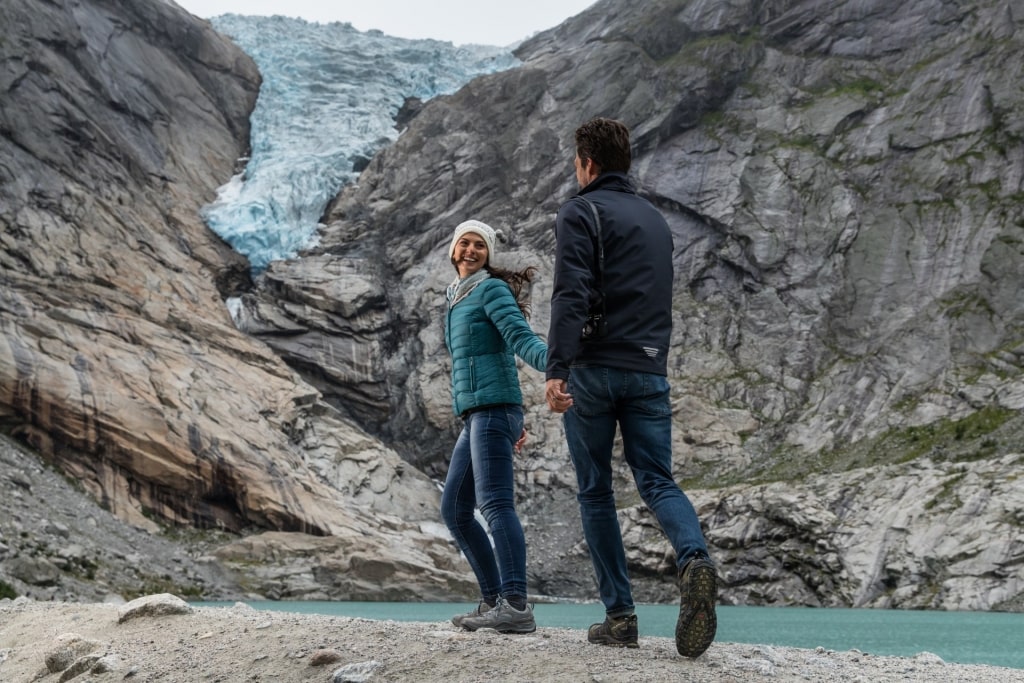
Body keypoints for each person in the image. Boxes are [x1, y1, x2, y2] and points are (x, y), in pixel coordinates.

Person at [544, 117, 718, 658]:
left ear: (587, 163)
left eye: (577, 163)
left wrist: (556, 368)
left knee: (596, 490)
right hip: (649, 369)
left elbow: (571, 293)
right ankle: (694, 560)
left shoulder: (581, 210)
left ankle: (620, 617)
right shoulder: (655, 220)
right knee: (657, 480)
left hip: (594, 369)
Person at [440, 219, 547, 635]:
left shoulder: (491, 289)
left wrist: (556, 366)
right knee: (454, 510)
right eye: (464, 243)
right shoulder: (455, 297)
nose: (470, 250)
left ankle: (516, 604)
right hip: (480, 414)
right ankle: (492, 600)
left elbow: (521, 337)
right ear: (453, 250)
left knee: (496, 505)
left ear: (488, 254)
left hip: (494, 409)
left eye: (479, 246)